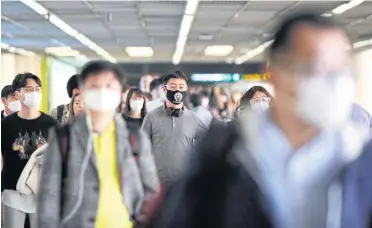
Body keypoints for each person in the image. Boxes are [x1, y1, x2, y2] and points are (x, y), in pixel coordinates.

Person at [147, 13, 372, 228]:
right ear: (273, 72)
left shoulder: (360, 155)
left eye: (341, 71)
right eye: (313, 68)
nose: (331, 83)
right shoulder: (225, 152)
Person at [37, 60, 159, 228]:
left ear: (120, 93)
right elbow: (48, 198)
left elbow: (151, 193)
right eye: (94, 86)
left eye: (109, 86)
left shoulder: (135, 138)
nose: (102, 92)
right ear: (83, 92)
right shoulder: (63, 137)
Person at [1, 73, 57, 228]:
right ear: (18, 93)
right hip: (13, 191)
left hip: (41, 192)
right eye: (29, 89)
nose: (34, 93)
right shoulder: (5, 125)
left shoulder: (51, 124)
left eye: (37, 89)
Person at [142, 70, 208, 187]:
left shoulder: (194, 119)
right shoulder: (151, 116)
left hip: (183, 183)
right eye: (173, 86)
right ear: (165, 90)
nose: (178, 90)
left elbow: (208, 144)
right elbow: (143, 148)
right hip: (157, 182)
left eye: (181, 87)